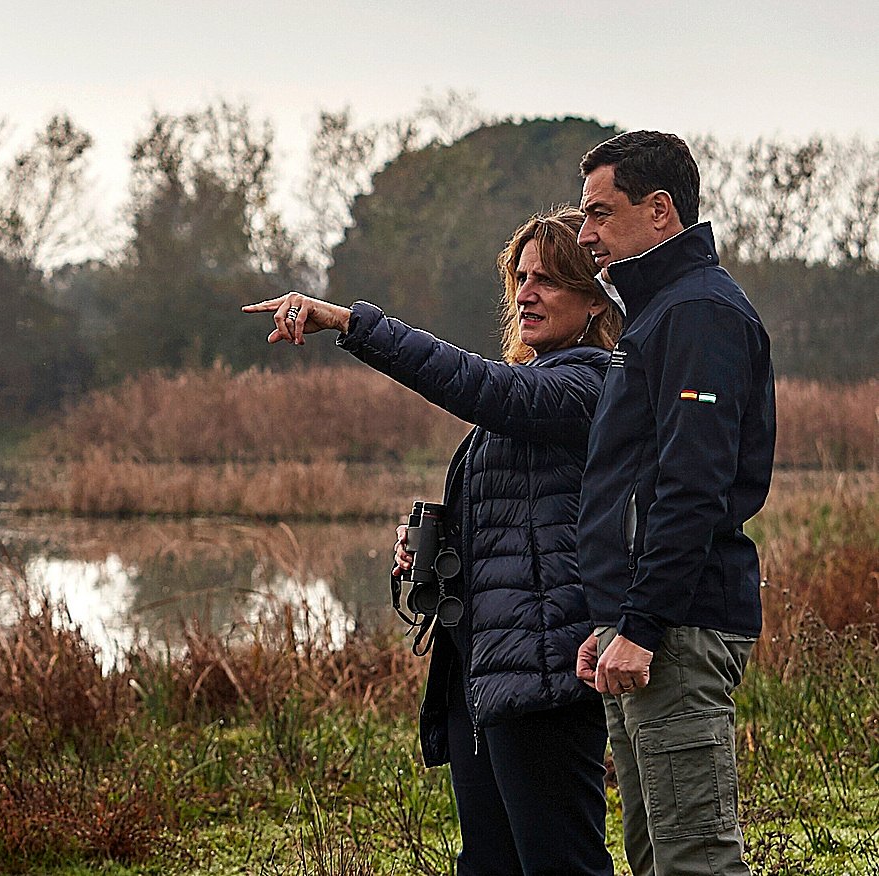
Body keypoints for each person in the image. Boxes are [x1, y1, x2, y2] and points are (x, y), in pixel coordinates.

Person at [244, 207, 622, 876]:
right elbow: (521, 522)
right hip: (483, 671)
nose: (525, 294)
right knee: (486, 865)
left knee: (559, 864)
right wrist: (433, 552)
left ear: (594, 300)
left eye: (549, 281)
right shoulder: (526, 396)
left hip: (543, 672)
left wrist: (350, 323)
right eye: (520, 278)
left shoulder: (588, 384)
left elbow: (475, 385)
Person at [572, 131, 776, 876]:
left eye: (599, 213)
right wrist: (612, 617)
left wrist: (644, 623)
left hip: (678, 629)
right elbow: (630, 479)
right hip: (646, 625)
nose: (585, 233)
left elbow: (693, 487)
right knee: (655, 857)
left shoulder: (697, 314)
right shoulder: (656, 315)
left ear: (658, 212)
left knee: (695, 862)